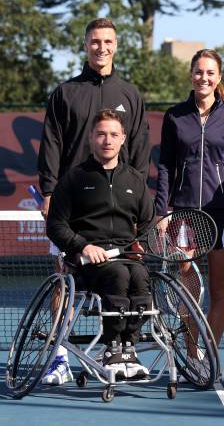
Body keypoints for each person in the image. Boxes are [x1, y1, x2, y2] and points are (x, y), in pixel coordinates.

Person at [44, 109, 155, 384]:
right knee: (118, 275)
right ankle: (112, 347)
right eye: (101, 134)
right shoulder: (73, 179)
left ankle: (129, 348)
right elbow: (56, 226)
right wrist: (83, 246)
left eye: (114, 135)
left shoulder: (135, 180)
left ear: (123, 139)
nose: (107, 140)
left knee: (140, 275)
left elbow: (148, 224)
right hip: (87, 264)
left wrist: (143, 243)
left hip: (127, 258)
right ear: (92, 139)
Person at [155, 49, 224, 368]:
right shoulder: (175, 116)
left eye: (210, 72)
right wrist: (162, 211)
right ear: (191, 75)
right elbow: (165, 165)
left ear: (219, 77)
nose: (203, 77)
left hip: (221, 215)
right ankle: (191, 354)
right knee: (188, 287)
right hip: (183, 215)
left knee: (219, 288)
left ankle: (210, 354)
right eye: (198, 71)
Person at [38, 17, 150, 219]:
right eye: (95, 41)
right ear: (86, 45)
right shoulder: (64, 93)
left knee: (118, 252)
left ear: (115, 45)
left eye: (108, 42)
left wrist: (137, 191)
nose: (102, 47)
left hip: (120, 200)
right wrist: (48, 192)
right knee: (75, 252)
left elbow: (139, 147)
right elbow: (51, 143)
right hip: (72, 197)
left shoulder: (131, 94)